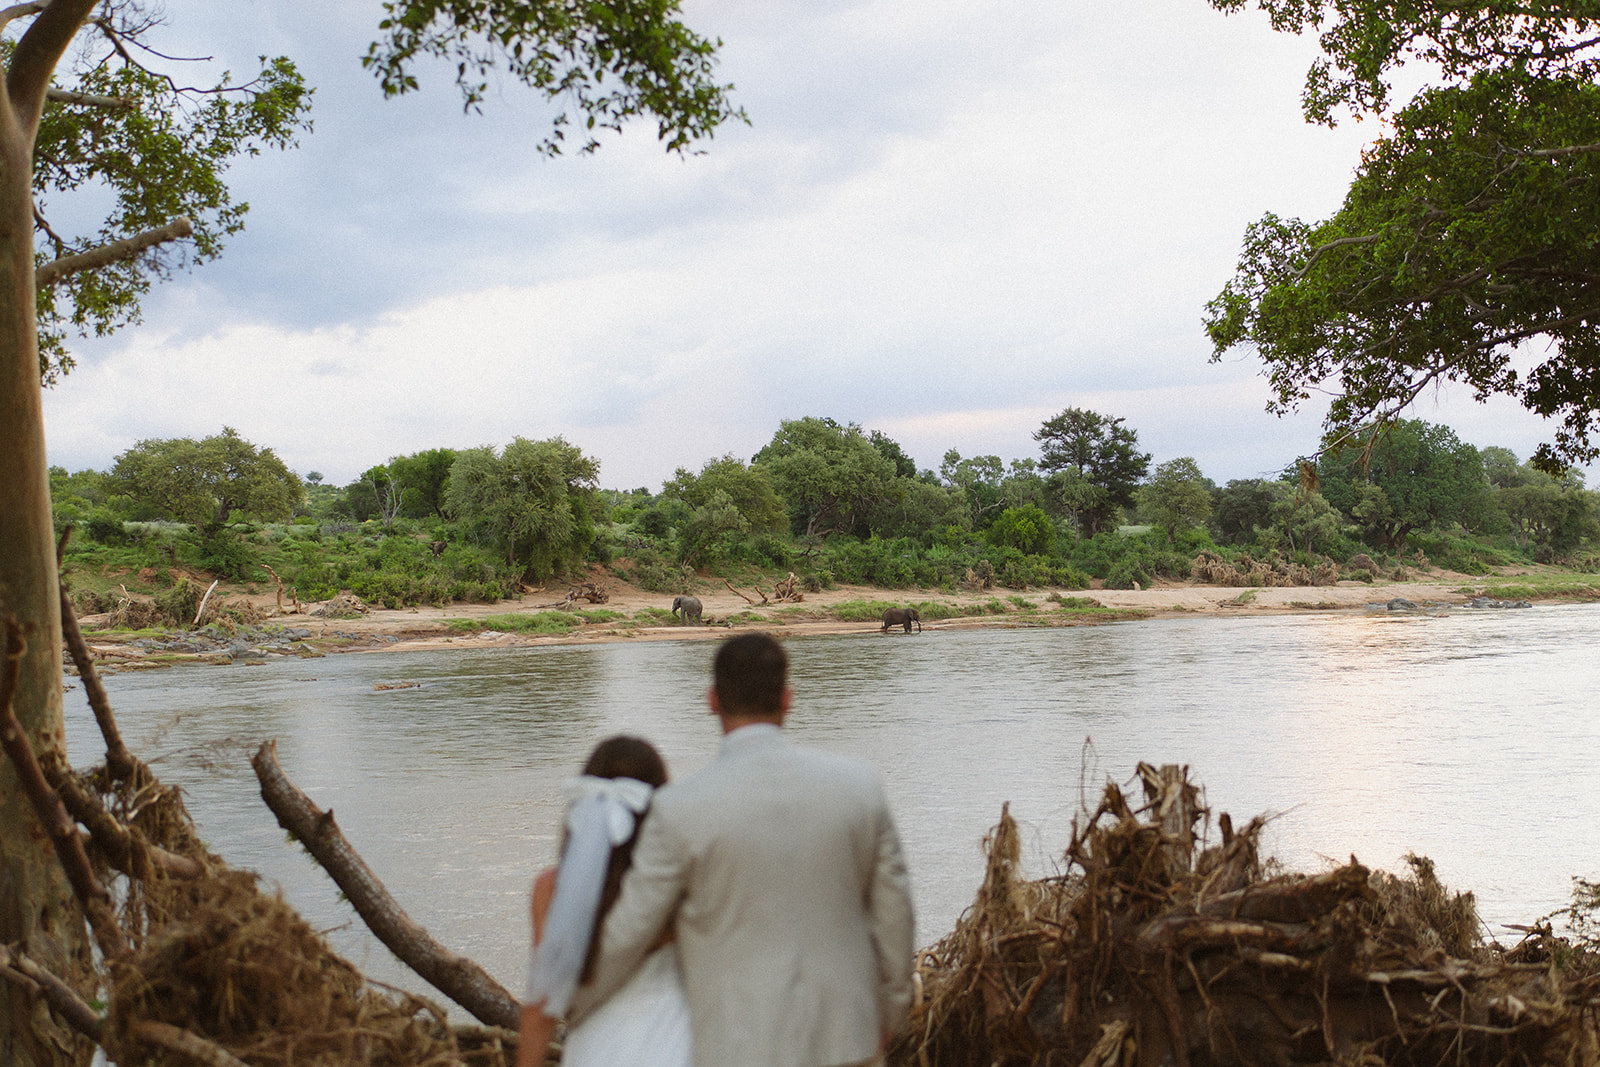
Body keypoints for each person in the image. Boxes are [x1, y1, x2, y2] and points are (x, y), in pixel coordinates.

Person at [571, 632, 915, 1067]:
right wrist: (892, 1012)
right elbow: (895, 915)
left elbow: (628, 933)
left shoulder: (679, 809)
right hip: (847, 1037)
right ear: (788, 698)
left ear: (712, 700)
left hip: (735, 1046)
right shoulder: (860, 788)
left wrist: (571, 1006)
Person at [519, 736, 690, 1067]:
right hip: (676, 1047)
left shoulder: (550, 889)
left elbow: (541, 1007)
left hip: (595, 1053)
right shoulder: (681, 883)